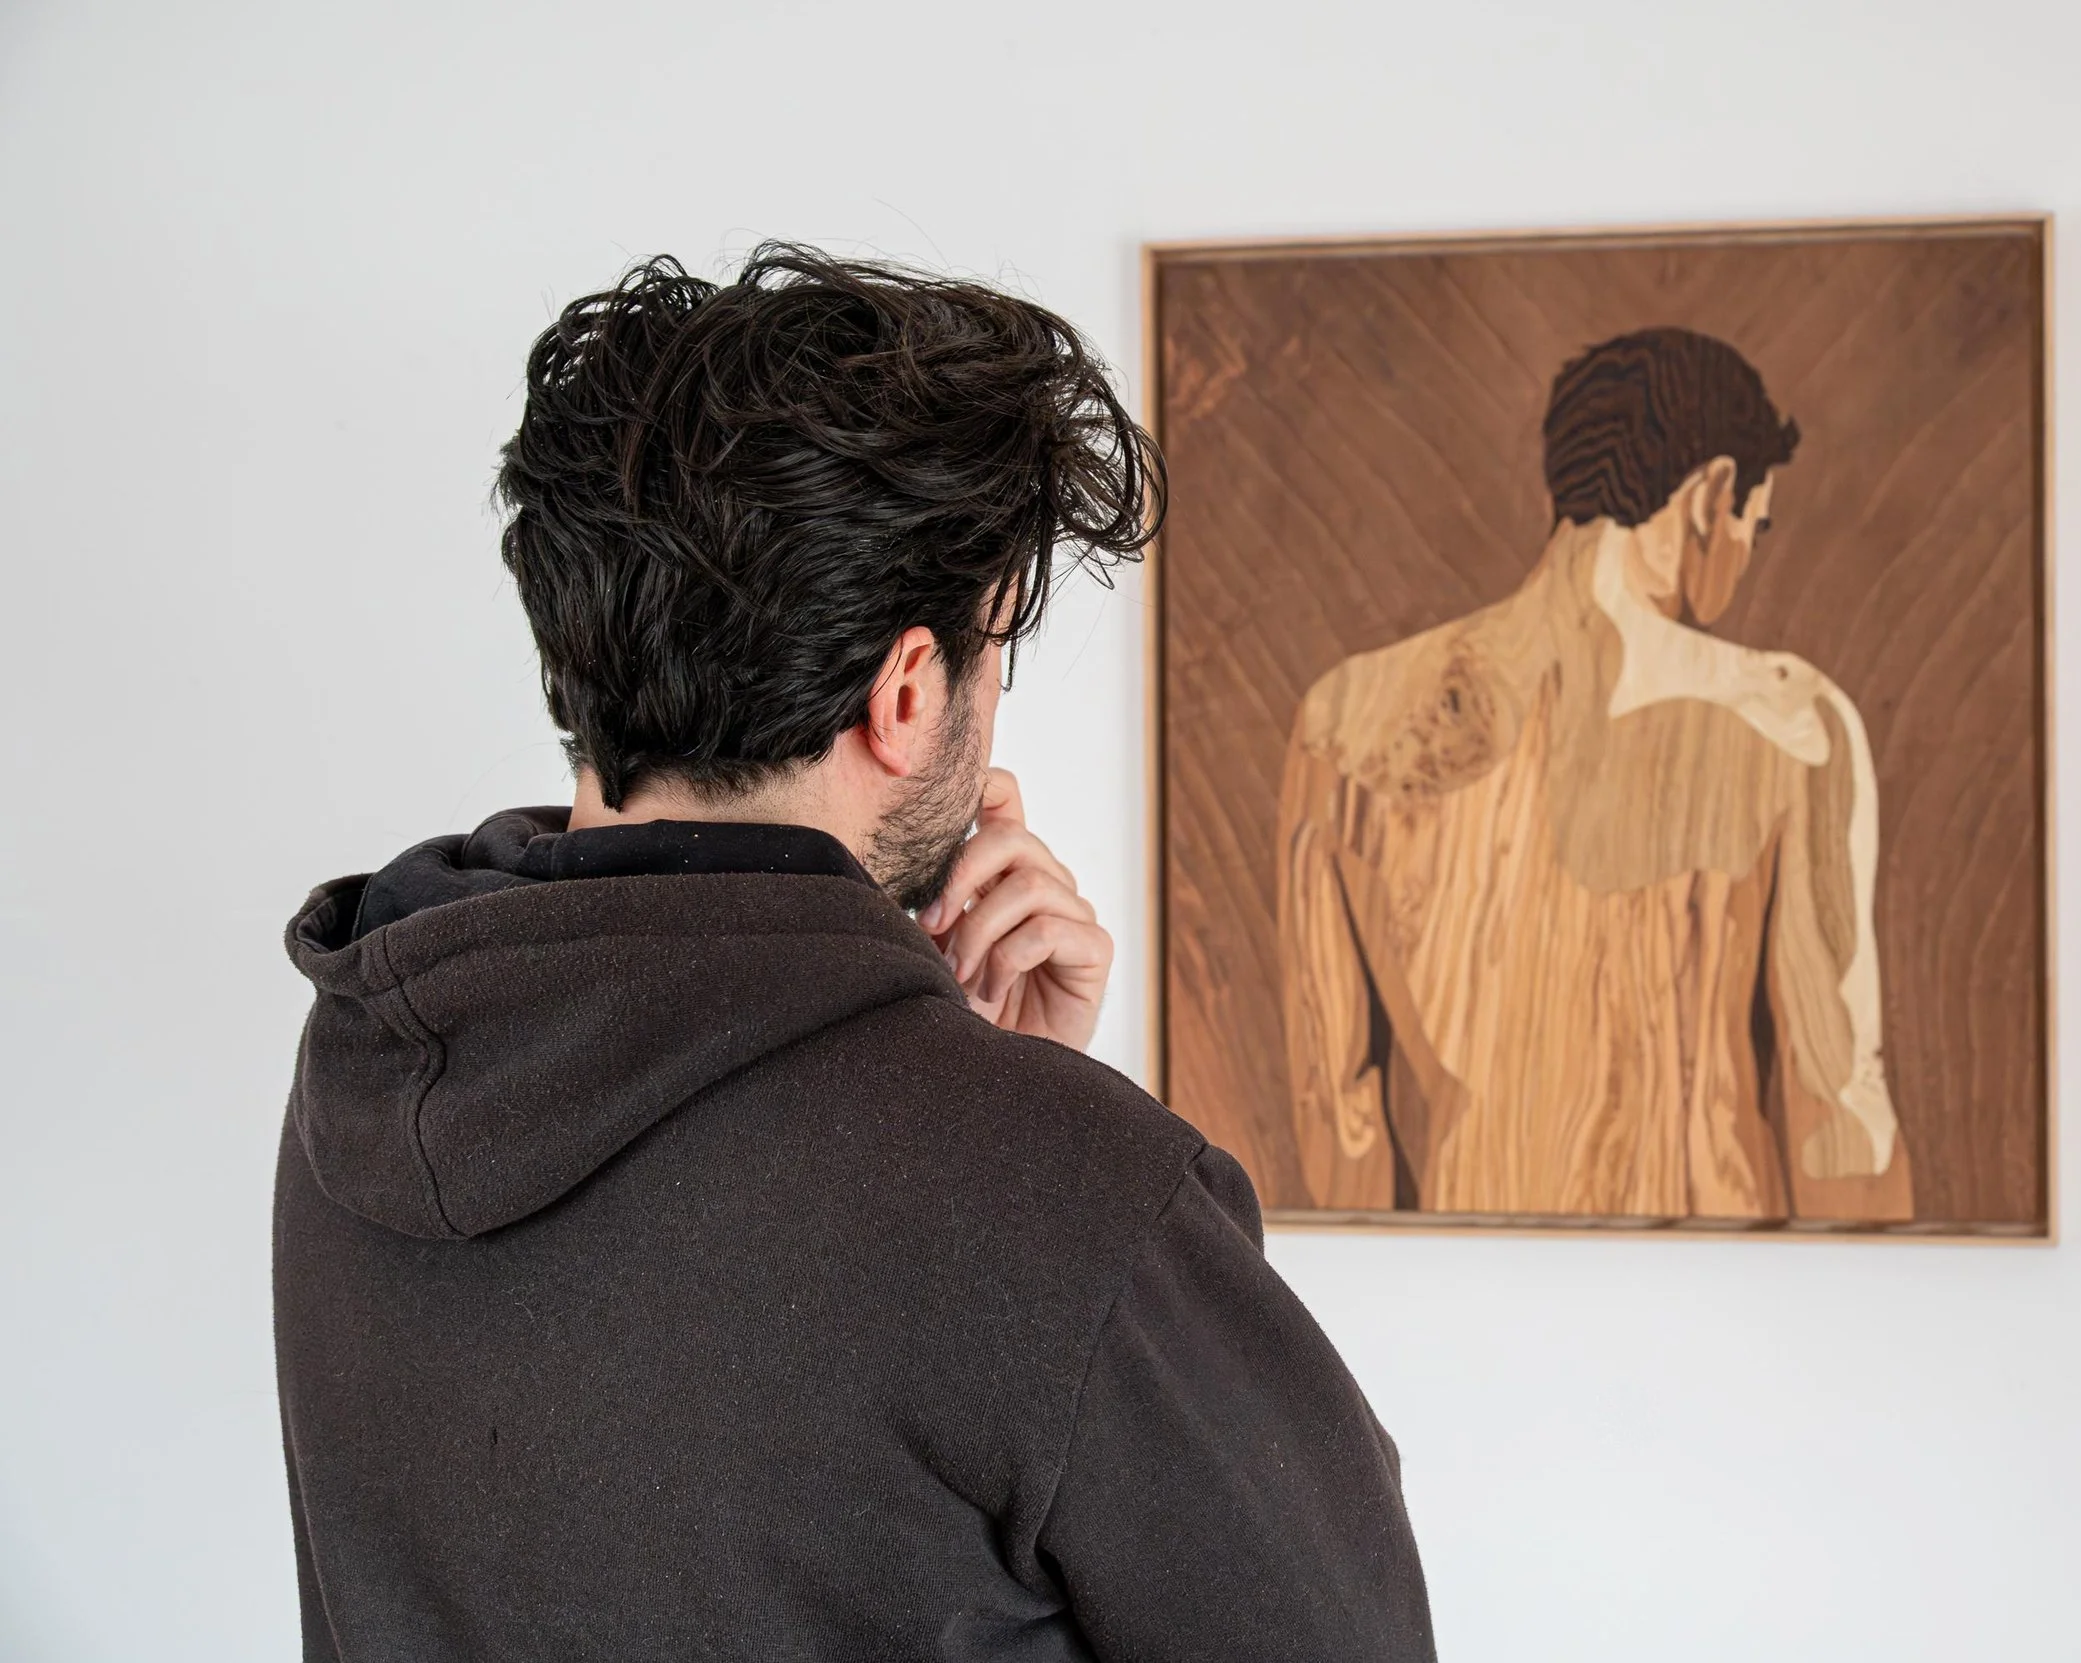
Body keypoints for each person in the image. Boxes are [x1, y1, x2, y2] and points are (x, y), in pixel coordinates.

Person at [274, 245, 1434, 1662]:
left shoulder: (382, 1056)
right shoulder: (1058, 1190)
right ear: (904, 692)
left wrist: (953, 1065)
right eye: (992, 652)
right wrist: (1011, 1113)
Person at [1278, 327, 1909, 1224]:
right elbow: (1839, 1109)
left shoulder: (1345, 718)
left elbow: (1335, 1114)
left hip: (1463, 1300)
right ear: (1712, 493)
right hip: (1723, 1303)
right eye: (1753, 526)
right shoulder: (1790, 725)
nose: (1744, 557)